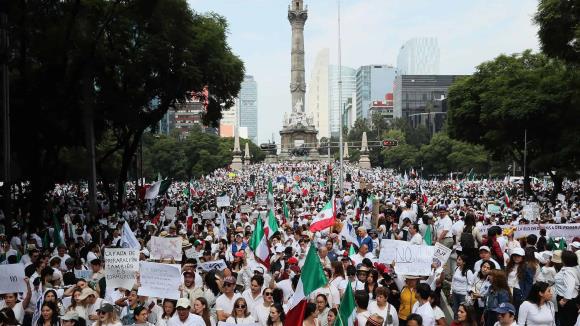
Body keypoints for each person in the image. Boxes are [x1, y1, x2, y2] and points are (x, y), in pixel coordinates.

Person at [554, 250, 580, 326]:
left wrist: (564, 300)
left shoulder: (568, 271)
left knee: (566, 322)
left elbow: (570, 286)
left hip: (566, 300)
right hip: (571, 299)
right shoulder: (575, 268)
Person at [451, 254, 475, 320]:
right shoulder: (456, 268)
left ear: (464, 262)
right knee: (455, 311)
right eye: (457, 259)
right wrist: (451, 291)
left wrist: (469, 294)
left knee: (463, 312)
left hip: (463, 295)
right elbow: (453, 280)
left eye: (459, 260)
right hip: (455, 293)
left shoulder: (468, 271)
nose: (457, 261)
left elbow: (471, 284)